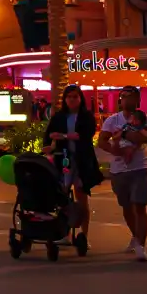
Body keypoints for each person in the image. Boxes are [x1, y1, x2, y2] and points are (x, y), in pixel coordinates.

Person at [98, 86, 147, 262]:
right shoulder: (112, 120)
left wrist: (125, 134)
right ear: (120, 100)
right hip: (119, 170)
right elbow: (102, 141)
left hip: (139, 168)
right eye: (124, 97)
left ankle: (141, 245)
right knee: (127, 207)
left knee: (140, 205)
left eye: (132, 97)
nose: (127, 100)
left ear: (138, 100)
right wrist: (118, 152)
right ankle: (135, 236)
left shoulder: (145, 119)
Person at [44, 84, 104, 247]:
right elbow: (49, 134)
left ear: (80, 98)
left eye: (75, 97)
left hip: (82, 162)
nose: (72, 100)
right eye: (69, 97)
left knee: (81, 198)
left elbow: (84, 136)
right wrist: (49, 146)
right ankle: (65, 233)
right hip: (63, 160)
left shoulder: (86, 116)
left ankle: (84, 236)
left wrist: (62, 136)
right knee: (63, 197)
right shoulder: (59, 116)